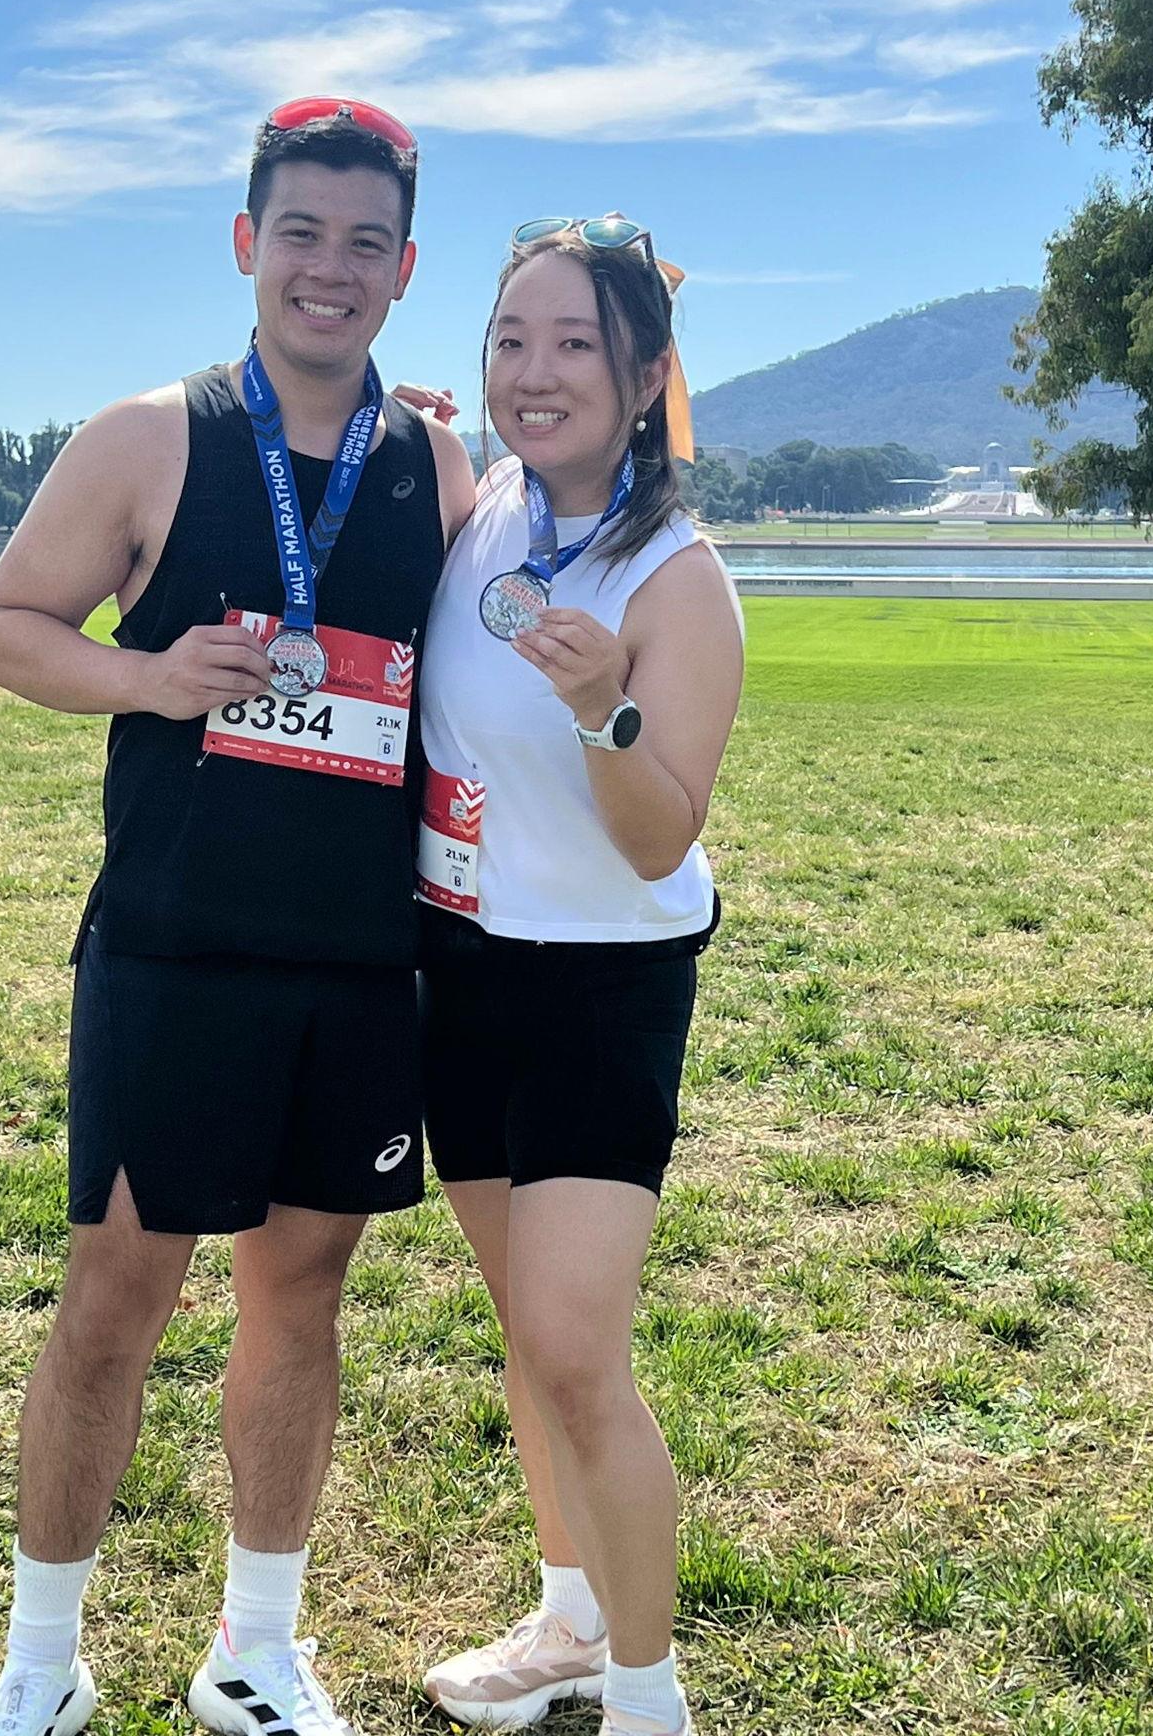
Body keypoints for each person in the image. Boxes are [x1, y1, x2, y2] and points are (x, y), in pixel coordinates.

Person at [0, 97, 476, 1736]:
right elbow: (6, 628)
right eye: (301, 233)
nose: (332, 268)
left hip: (361, 960)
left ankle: (256, 1651)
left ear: (405, 269)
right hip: (176, 948)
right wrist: (149, 676)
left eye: (367, 242)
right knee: (114, 1300)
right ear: (249, 244)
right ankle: (42, 1665)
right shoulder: (148, 438)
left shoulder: (433, 463)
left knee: (300, 1298)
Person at [412, 218, 743, 1736]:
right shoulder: (484, 509)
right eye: (511, 340)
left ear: (646, 374)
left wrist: (608, 709)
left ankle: (649, 1696)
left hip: (603, 983)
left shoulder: (678, 579)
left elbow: (659, 833)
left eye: (575, 346)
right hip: (461, 962)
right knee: (524, 1332)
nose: (533, 374)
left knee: (574, 1350)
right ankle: (570, 1624)